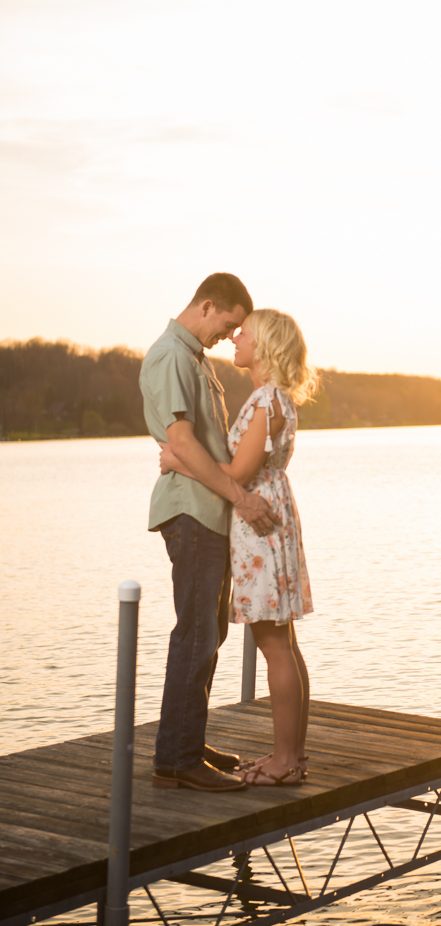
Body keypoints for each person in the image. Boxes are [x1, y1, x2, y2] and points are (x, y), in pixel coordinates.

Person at [160, 308, 317, 786]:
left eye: (243, 334)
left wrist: (179, 462)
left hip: (260, 527)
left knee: (273, 644)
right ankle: (290, 756)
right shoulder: (273, 399)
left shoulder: (265, 401)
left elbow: (236, 475)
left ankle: (284, 761)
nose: (235, 338)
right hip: (271, 521)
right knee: (282, 642)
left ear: (264, 347)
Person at [139, 274, 280, 793]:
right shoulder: (172, 356)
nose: (232, 333)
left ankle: (187, 742)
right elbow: (181, 439)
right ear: (208, 304)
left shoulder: (194, 358)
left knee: (209, 631)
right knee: (196, 632)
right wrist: (241, 497)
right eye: (231, 322)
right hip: (193, 511)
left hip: (209, 509)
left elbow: (201, 442)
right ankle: (176, 759)